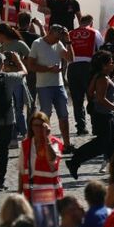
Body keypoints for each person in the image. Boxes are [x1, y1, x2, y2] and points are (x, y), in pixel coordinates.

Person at [68, 51, 114, 178]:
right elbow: (101, 98)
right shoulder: (102, 79)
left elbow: (90, 93)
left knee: (113, 144)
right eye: (111, 62)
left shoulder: (100, 76)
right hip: (103, 115)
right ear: (104, 65)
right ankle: (75, 160)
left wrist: (112, 82)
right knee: (101, 144)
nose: (113, 65)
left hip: (104, 114)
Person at [29, 23, 75, 151]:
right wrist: (49, 69)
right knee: (45, 116)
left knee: (64, 115)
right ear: (50, 33)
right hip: (44, 86)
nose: (57, 40)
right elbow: (31, 66)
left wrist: (68, 42)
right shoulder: (37, 43)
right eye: (56, 37)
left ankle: (67, 144)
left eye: (59, 38)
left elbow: (71, 59)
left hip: (58, 85)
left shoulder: (59, 43)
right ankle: (44, 143)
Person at [19, 110, 64, 202]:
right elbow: (21, 171)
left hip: (49, 192)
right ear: (31, 127)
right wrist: (19, 194)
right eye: (35, 125)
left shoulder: (55, 142)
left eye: (41, 126)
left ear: (47, 126)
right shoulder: (26, 144)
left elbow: (52, 160)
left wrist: (47, 138)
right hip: (30, 194)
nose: (38, 129)